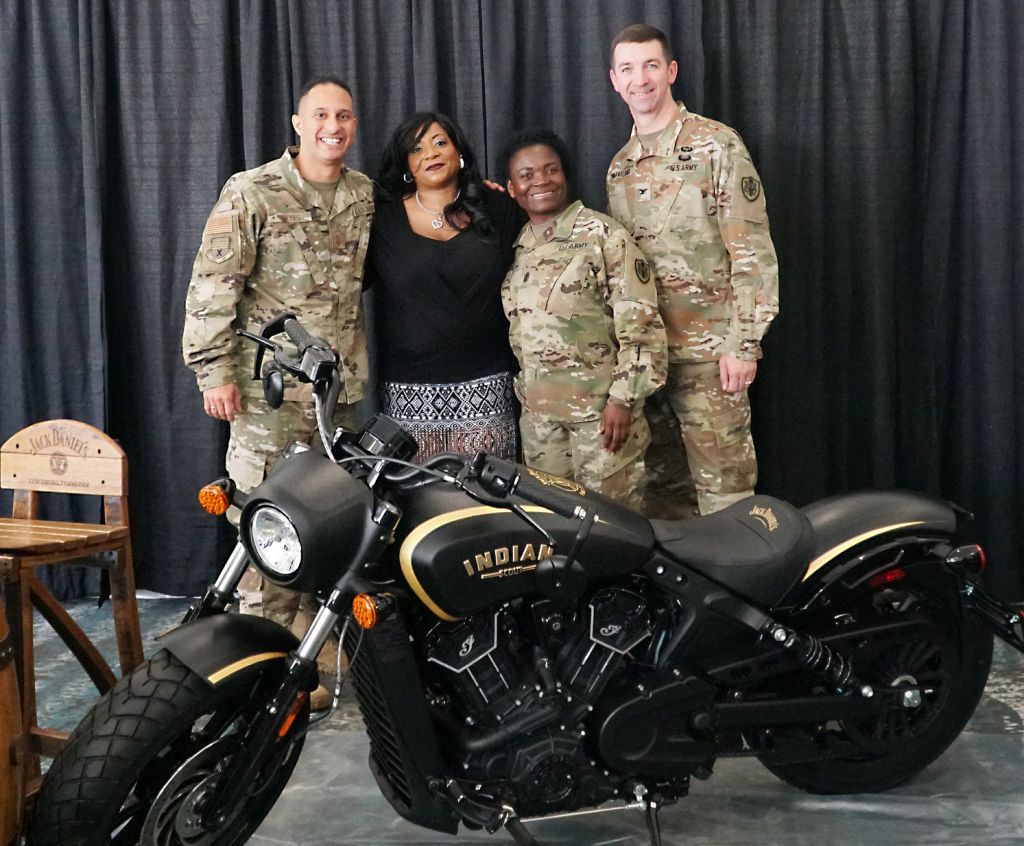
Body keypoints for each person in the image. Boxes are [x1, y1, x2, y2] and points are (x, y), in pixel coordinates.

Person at [183, 75, 373, 708]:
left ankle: (308, 645)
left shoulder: (362, 195)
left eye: (344, 116)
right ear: (297, 123)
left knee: (324, 523)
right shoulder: (252, 191)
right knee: (263, 518)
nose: (333, 127)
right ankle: (262, 658)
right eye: (321, 115)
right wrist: (213, 372)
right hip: (267, 395)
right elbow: (214, 285)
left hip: (332, 397)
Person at [606, 23, 780, 518]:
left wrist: (744, 344)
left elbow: (752, 252)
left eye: (651, 65)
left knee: (727, 501)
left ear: (671, 71)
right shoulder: (620, 167)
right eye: (628, 69)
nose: (640, 79)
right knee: (663, 502)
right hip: (648, 363)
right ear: (614, 81)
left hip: (710, 360)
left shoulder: (716, 145)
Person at [500, 130, 667, 510]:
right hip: (542, 425)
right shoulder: (519, 247)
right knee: (552, 528)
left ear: (566, 175)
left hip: (601, 422)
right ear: (512, 189)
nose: (540, 181)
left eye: (550, 170)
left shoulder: (603, 236)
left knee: (611, 530)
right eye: (526, 176)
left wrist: (623, 401)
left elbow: (641, 328)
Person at [365, 112, 523, 460]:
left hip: (487, 385)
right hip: (408, 393)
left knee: (486, 507)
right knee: (421, 506)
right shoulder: (382, 219)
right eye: (417, 148)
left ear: (459, 151)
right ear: (407, 164)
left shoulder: (497, 207)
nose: (431, 154)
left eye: (440, 143)